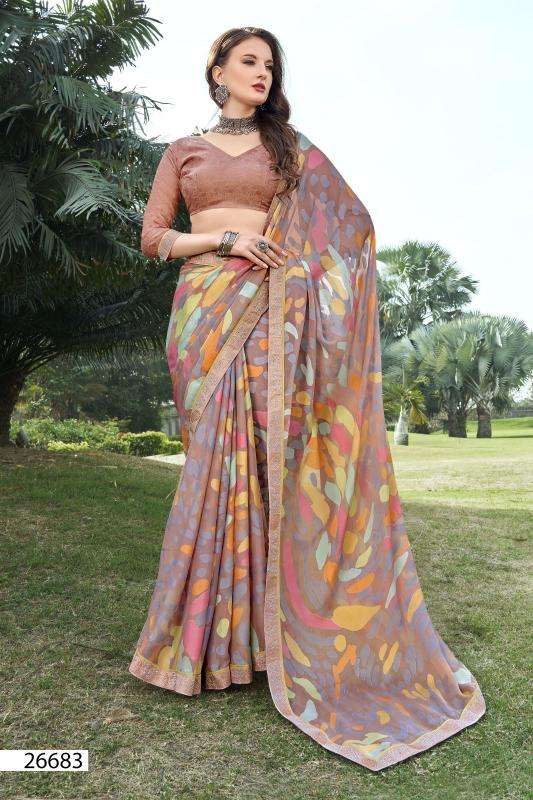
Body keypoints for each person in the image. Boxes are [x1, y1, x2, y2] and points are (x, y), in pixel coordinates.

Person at [128, 26, 486, 772]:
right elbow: (153, 236)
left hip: (273, 315)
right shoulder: (183, 151)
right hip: (204, 313)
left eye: (270, 64)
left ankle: (266, 641)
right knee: (212, 466)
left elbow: (350, 227)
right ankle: (207, 644)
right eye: (248, 61)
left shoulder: (289, 149)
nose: (261, 72)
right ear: (217, 69)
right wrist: (223, 243)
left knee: (271, 464)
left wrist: (301, 281)